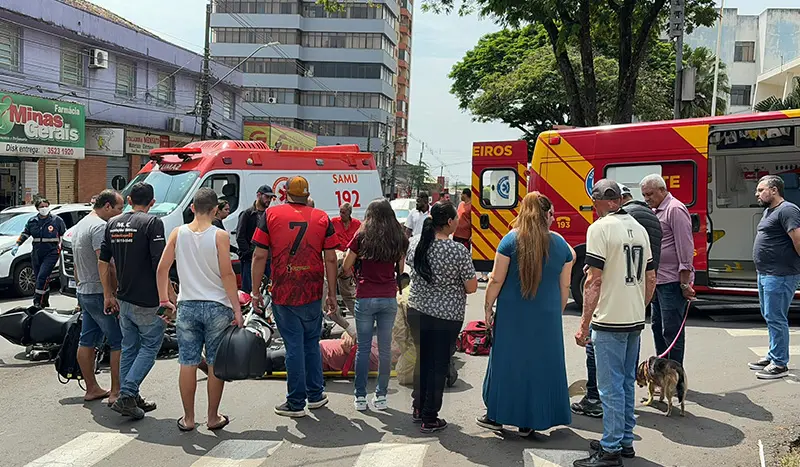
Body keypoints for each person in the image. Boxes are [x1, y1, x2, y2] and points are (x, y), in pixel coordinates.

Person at [477, 193, 575, 436]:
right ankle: (529, 421)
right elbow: (565, 287)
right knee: (541, 365)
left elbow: (496, 279)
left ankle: (497, 415)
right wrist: (557, 311)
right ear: (545, 215)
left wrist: (488, 306)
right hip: (547, 315)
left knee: (507, 363)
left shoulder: (510, 241)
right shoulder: (560, 244)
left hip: (512, 313)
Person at [573, 179, 656, 467]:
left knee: (608, 387)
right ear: (619, 199)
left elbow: (593, 281)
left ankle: (609, 450)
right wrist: (639, 305)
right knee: (625, 384)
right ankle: (625, 441)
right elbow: (651, 277)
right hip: (634, 318)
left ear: (599, 202)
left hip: (609, 319)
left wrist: (584, 323)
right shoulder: (640, 228)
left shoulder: (599, 228)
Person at [250, 175, 339, 418]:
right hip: (312, 291)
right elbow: (331, 258)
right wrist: (331, 293)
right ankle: (316, 394)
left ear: (285, 193)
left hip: (284, 290)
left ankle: (296, 401)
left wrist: (255, 291)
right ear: (307, 195)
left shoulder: (270, 216)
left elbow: (259, 256)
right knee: (311, 343)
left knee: (293, 347)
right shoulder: (322, 218)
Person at [157, 188, 244, 432]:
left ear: (192, 208)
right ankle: (213, 417)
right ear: (216, 210)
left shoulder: (177, 233)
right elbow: (227, 274)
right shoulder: (220, 236)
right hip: (217, 306)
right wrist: (237, 310)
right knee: (215, 363)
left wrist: (165, 301)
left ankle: (188, 418)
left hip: (187, 306)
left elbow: (162, 269)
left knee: (188, 361)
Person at [407, 201, 478, 433]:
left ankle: (418, 407)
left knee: (422, 360)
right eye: (456, 219)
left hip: (416, 310)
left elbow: (409, 265)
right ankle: (429, 417)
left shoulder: (416, 243)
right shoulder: (457, 250)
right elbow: (471, 287)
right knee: (438, 365)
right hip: (445, 317)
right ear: (449, 222)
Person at [99, 182, 166, 420]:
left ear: (128, 201)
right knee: (149, 346)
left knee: (129, 348)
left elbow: (104, 261)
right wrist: (168, 297)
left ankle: (130, 396)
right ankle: (127, 394)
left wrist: (108, 294)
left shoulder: (112, 223)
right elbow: (161, 264)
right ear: (152, 202)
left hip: (123, 297)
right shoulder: (152, 223)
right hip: (147, 299)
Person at [342, 199, 409, 411]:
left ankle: (360, 397)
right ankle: (381, 396)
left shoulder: (361, 236)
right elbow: (400, 267)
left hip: (365, 296)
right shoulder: (398, 237)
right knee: (385, 349)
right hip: (388, 297)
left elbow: (346, 266)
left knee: (363, 348)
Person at [73, 190, 125, 404]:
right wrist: (111, 293)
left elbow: (75, 263)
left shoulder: (81, 224)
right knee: (118, 342)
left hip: (84, 290)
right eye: (119, 208)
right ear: (107, 207)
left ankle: (92, 388)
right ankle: (116, 392)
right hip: (98, 292)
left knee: (86, 339)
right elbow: (106, 264)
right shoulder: (100, 227)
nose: (121, 213)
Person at [640, 174, 695, 367]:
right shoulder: (656, 210)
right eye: (644, 195)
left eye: (650, 194)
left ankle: (674, 374)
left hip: (672, 281)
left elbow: (685, 247)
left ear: (662, 190)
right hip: (658, 280)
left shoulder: (675, 209)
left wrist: (685, 282)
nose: (647, 198)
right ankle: (662, 373)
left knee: (671, 330)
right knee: (657, 327)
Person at [750, 175, 800, 379]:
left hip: (780, 274)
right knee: (769, 316)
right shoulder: (769, 211)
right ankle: (772, 355)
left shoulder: (788, 210)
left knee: (776, 317)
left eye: (761, 189)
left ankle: (779, 363)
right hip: (766, 273)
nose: (757, 193)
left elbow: (797, 239)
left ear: (774, 190)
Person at [12, 198, 66, 307]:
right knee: (39, 279)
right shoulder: (32, 221)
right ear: (37, 208)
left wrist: (62, 248)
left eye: (46, 206)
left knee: (42, 276)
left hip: (51, 252)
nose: (44, 208)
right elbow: (25, 233)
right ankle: (44, 301)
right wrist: (17, 244)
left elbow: (63, 235)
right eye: (41, 206)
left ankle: (37, 302)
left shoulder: (57, 220)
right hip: (37, 253)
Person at [237, 185, 275, 293]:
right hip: (250, 260)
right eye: (267, 197)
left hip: (268, 259)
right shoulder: (247, 214)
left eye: (271, 198)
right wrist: (249, 253)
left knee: (270, 290)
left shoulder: (270, 215)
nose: (269, 200)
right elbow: (240, 236)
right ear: (258, 195)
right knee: (249, 291)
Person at [331, 203, 361, 314]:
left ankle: (357, 315)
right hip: (338, 259)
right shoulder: (334, 222)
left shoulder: (357, 224)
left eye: (343, 212)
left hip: (351, 259)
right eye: (340, 212)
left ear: (349, 213)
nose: (341, 214)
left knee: (349, 293)